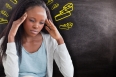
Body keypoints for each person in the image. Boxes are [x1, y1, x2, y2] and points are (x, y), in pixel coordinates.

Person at [0, 0, 74, 77]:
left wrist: (59, 39)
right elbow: (12, 75)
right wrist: (11, 37)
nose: (36, 26)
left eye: (41, 22)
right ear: (21, 19)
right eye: (32, 20)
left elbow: (68, 74)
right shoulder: (6, 41)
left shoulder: (50, 41)